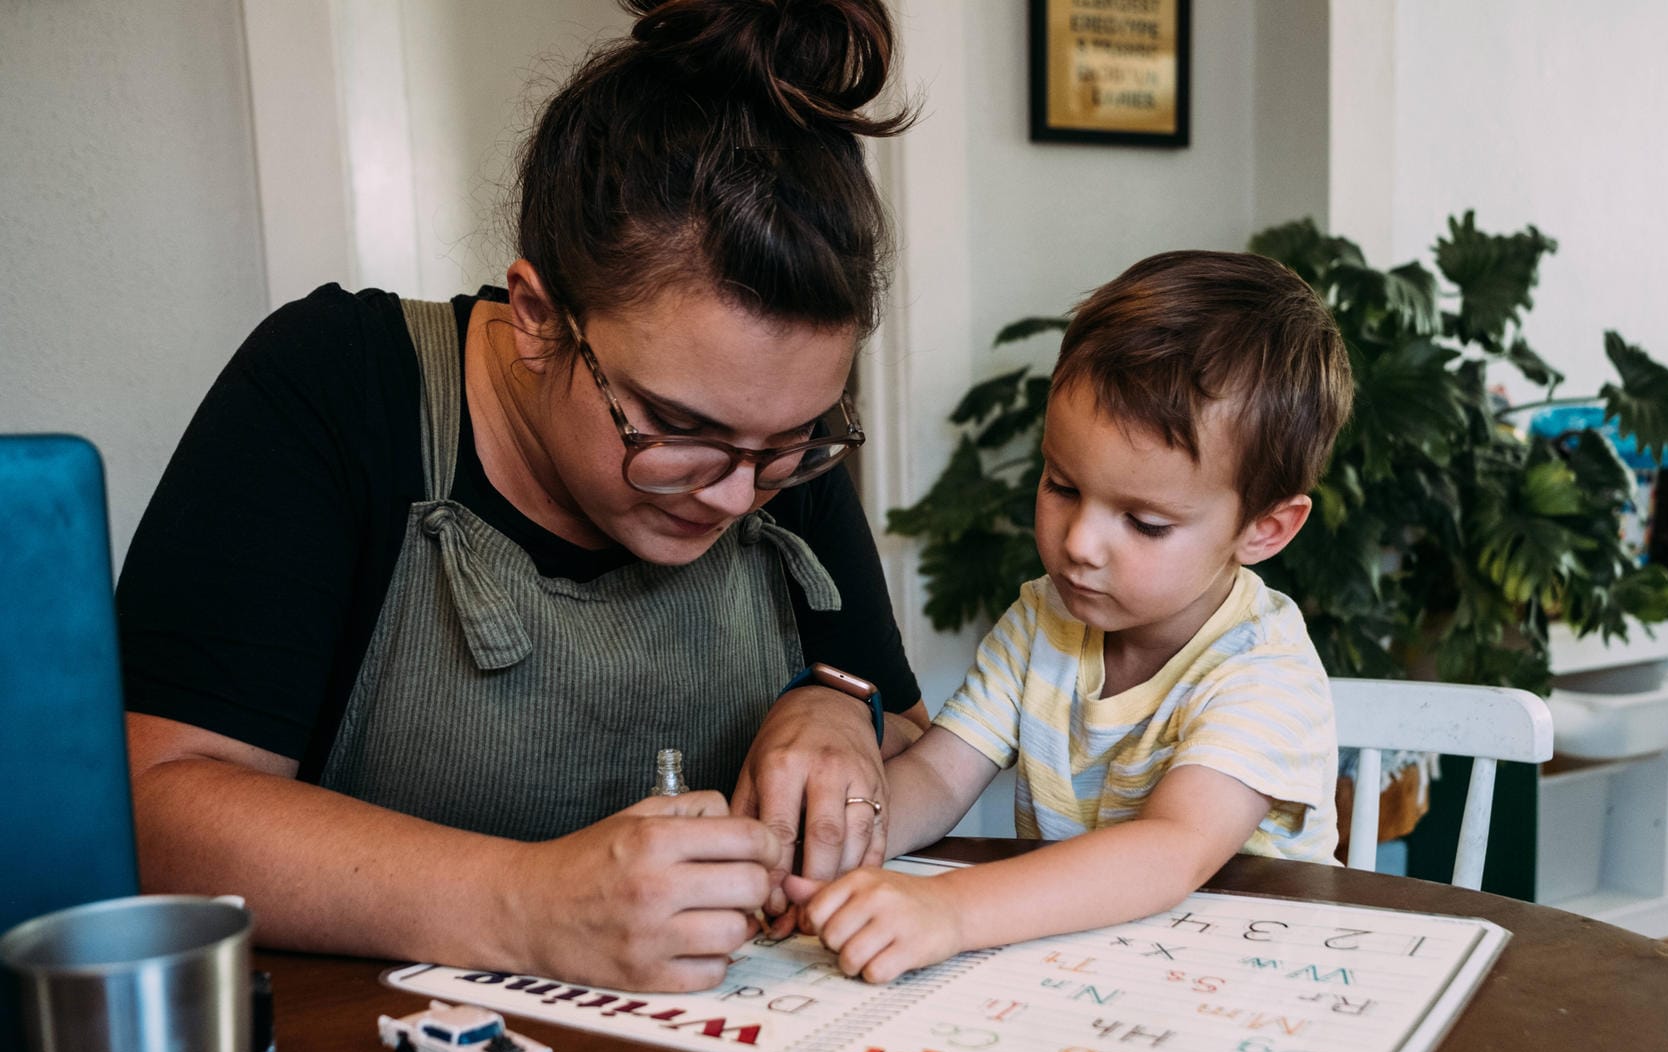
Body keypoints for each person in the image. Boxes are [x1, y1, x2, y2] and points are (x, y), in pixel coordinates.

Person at [115, 0, 926, 992]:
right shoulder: (334, 390)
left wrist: (842, 707)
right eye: (679, 430)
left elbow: (911, 744)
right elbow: (155, 809)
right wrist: (527, 901)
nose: (733, 495)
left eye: (790, 440)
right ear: (538, 319)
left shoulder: (762, 451)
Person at [784, 250, 1355, 983]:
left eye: (1144, 523)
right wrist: (829, 846)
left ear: (1265, 529)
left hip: (1248, 984)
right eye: (1060, 484)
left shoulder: (1265, 669)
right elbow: (939, 773)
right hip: (1088, 977)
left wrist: (949, 909)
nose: (1079, 543)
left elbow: (1170, 848)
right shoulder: (1042, 620)